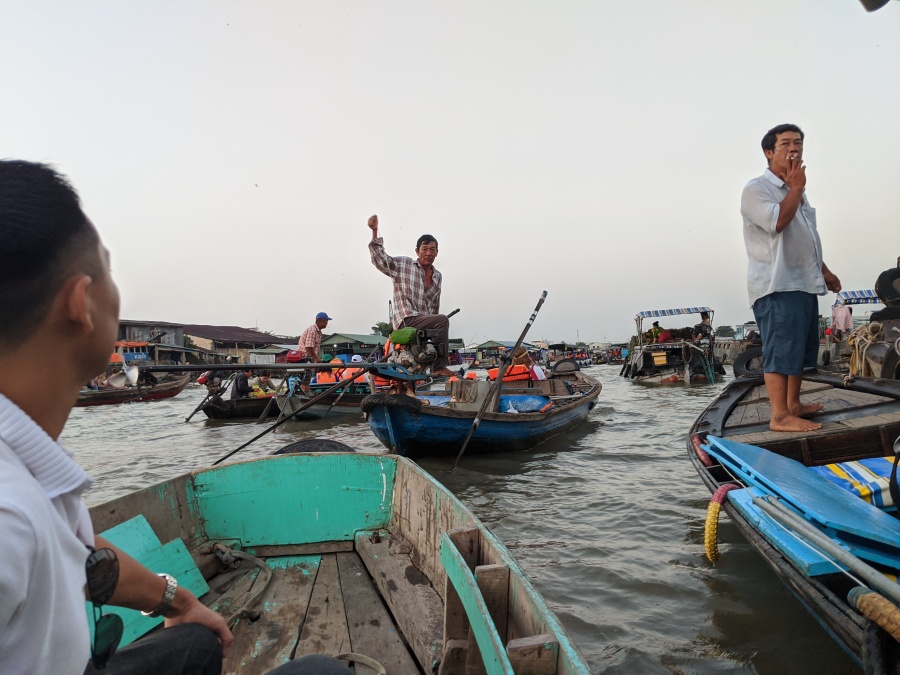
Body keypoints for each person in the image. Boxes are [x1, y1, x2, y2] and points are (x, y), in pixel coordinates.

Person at [0, 161, 352, 675]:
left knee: (195, 641)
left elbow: (74, 549)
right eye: (109, 271)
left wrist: (174, 600)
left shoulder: (31, 473)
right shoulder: (9, 515)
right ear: (81, 302)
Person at [741, 124, 841, 432]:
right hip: (776, 284)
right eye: (785, 144)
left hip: (803, 281)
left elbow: (805, 235)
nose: (793, 148)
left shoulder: (797, 189)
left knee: (797, 349)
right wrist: (796, 188)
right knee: (781, 349)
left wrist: (823, 271)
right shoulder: (757, 189)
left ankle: (793, 405)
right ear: (769, 152)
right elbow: (779, 223)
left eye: (798, 143)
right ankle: (779, 416)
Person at [367, 214, 455, 378]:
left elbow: (434, 306)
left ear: (437, 252)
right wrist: (374, 231)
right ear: (417, 251)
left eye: (432, 249)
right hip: (406, 319)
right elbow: (380, 260)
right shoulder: (404, 264)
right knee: (442, 320)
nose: (428, 253)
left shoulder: (437, 276)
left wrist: (436, 327)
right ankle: (439, 367)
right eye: (424, 249)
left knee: (439, 321)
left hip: (423, 319)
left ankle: (427, 369)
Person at [296, 312, 331, 393]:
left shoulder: (318, 332)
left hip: (309, 358)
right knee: (305, 380)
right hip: (305, 358)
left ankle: (305, 394)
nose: (327, 324)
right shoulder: (312, 330)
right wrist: (317, 358)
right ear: (322, 321)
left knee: (307, 379)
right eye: (326, 321)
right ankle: (303, 395)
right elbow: (308, 347)